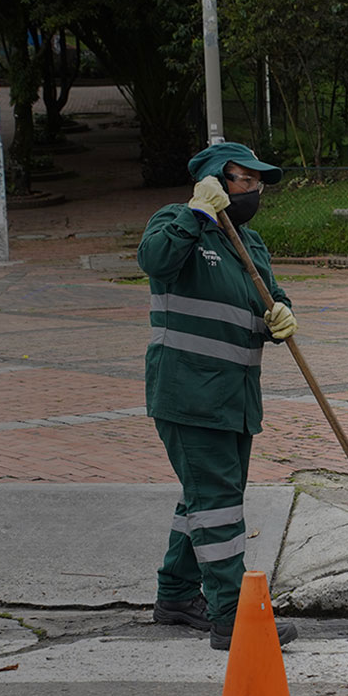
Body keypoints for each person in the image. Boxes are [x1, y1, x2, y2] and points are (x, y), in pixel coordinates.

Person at [137, 142, 300, 651]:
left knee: (205, 501)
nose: (255, 190)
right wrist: (196, 213)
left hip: (235, 398)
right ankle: (232, 616)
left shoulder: (249, 244)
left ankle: (177, 595)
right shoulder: (175, 224)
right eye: (244, 180)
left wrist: (280, 317)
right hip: (188, 394)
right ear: (215, 180)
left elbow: (267, 297)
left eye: (260, 183)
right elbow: (155, 261)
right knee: (220, 507)